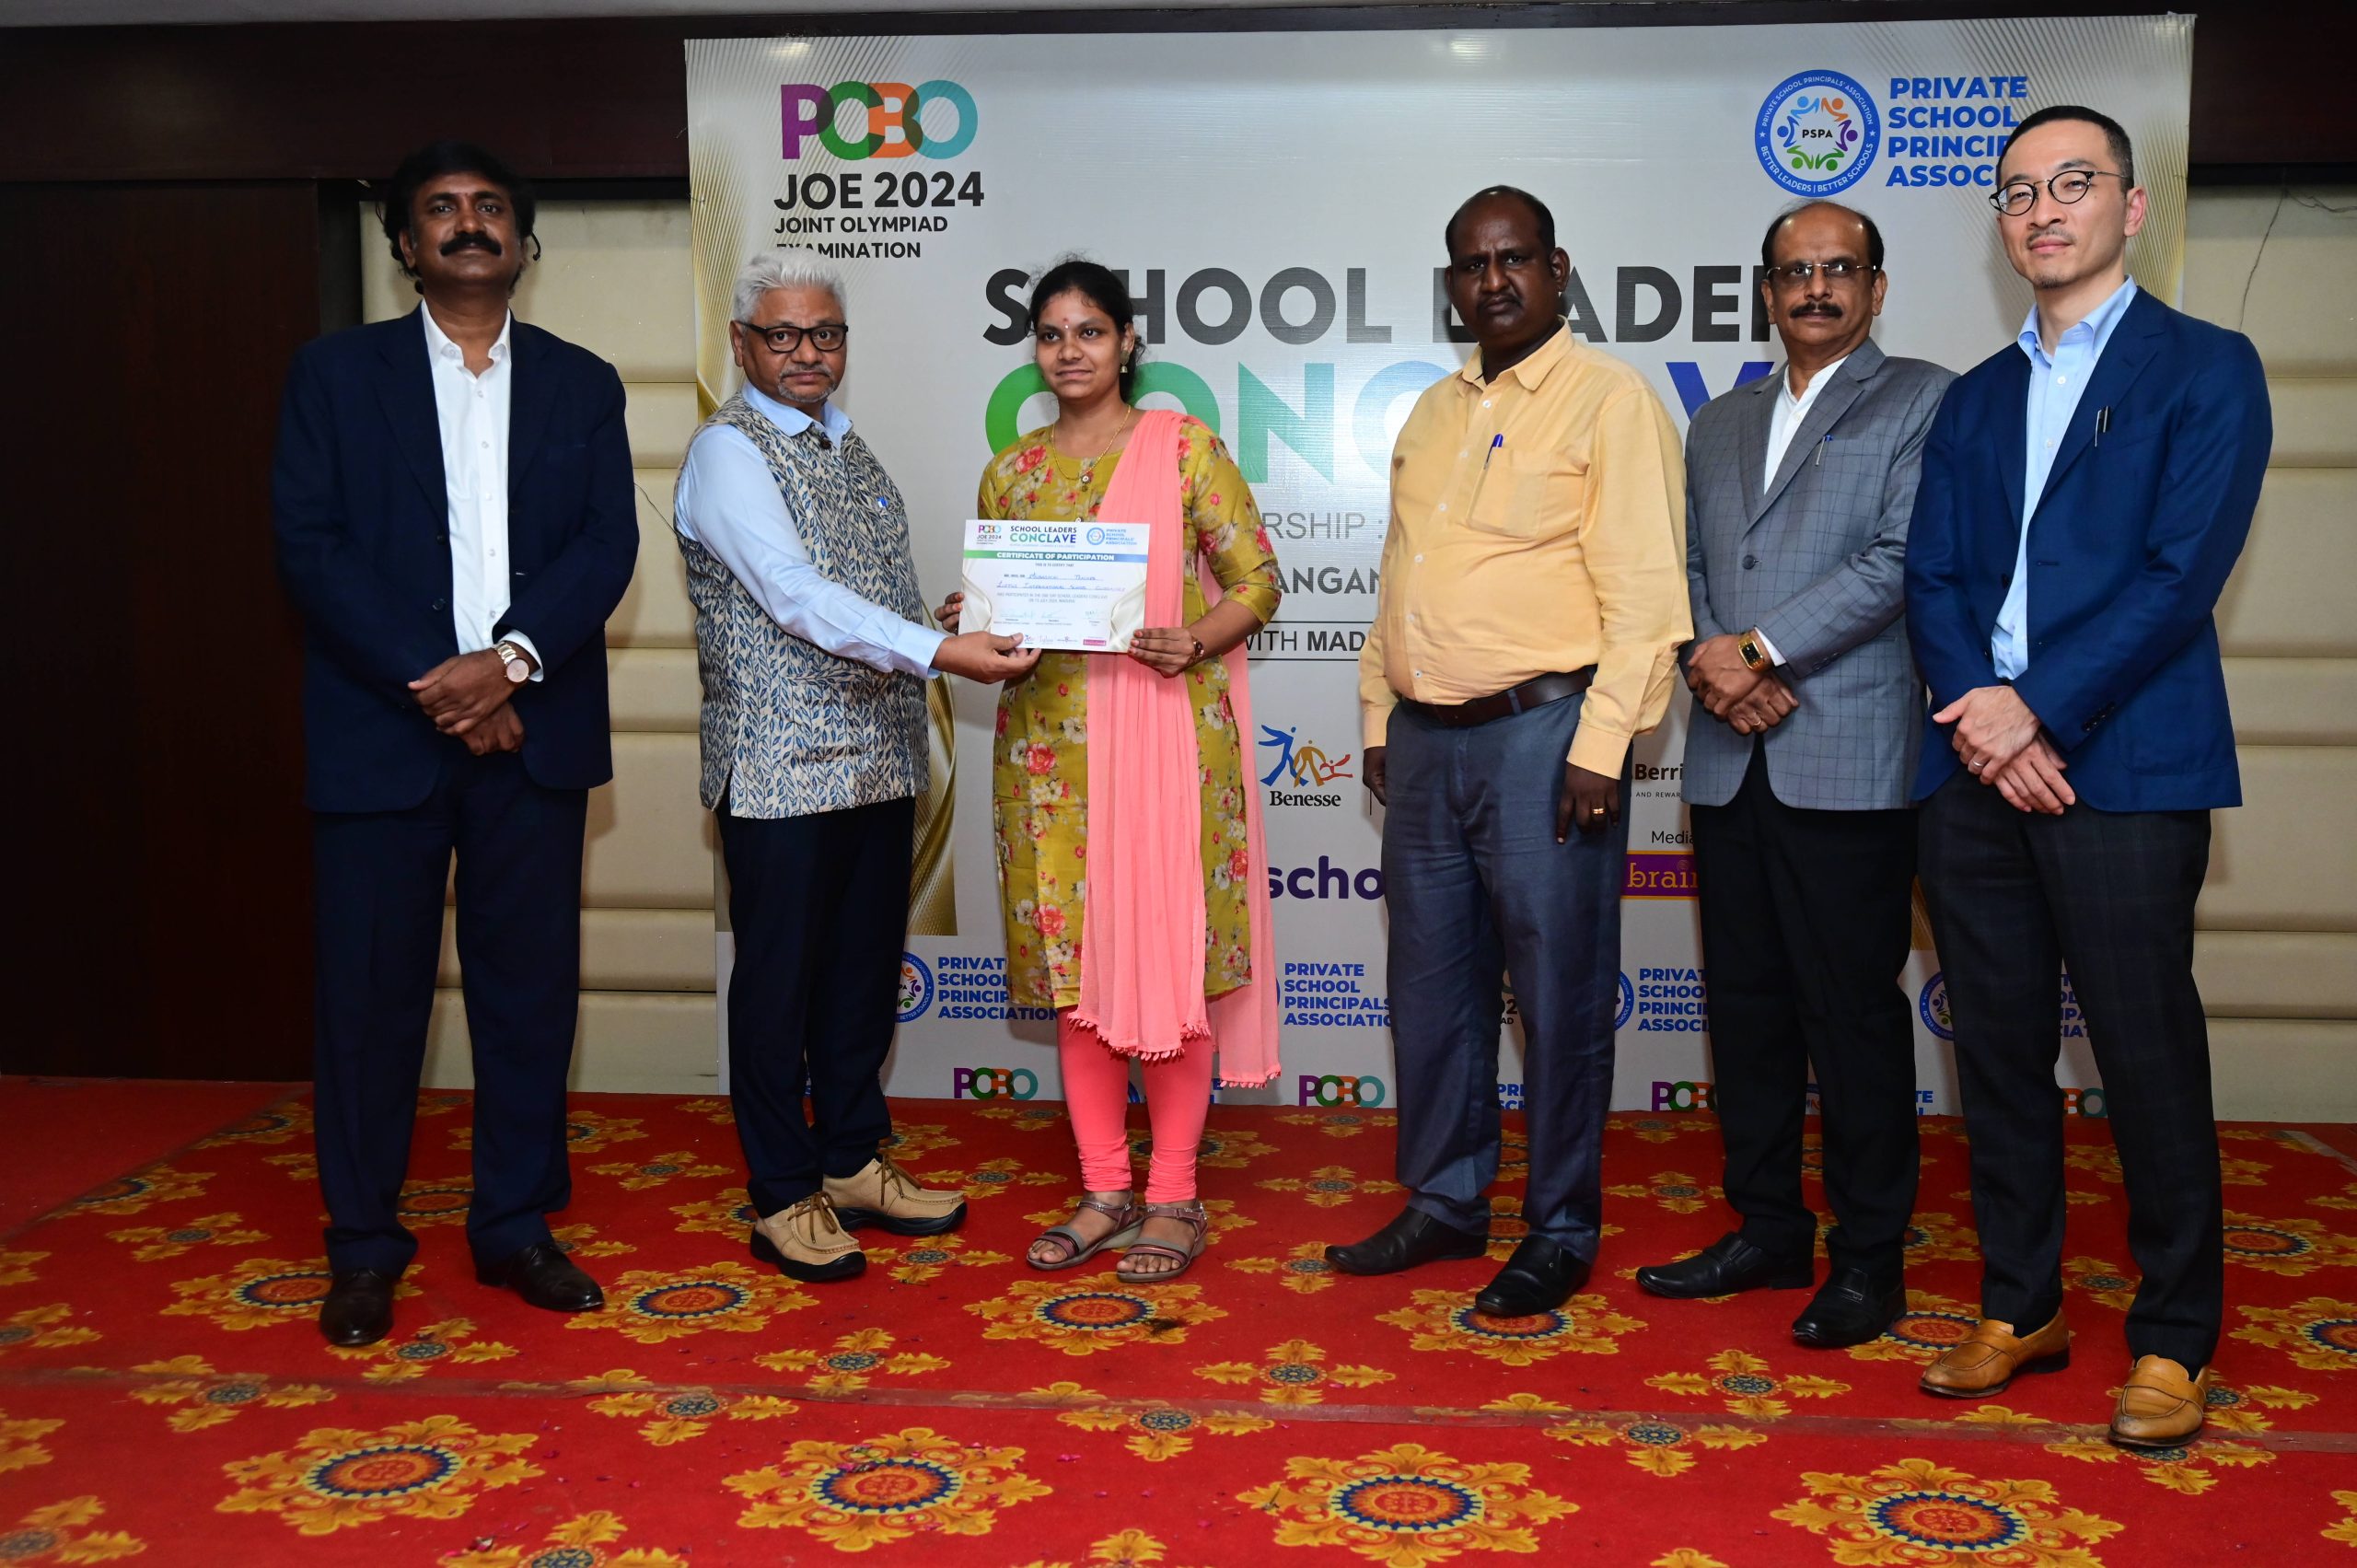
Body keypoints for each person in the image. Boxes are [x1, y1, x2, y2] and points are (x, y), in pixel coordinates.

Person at [1904, 105, 2271, 1447]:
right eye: (2017, 191)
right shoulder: (1974, 396)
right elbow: (1931, 575)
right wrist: (1984, 720)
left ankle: (2174, 1338)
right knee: (1997, 1051)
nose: (2043, 209)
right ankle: (2022, 1304)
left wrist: (2038, 711)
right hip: (1973, 770)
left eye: (2072, 182)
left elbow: (2182, 575)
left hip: (2122, 764)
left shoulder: (2206, 365)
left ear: (2131, 204)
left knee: (2145, 1053)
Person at [273, 139, 639, 1346]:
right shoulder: (334, 374)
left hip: (532, 731)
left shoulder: (583, 382)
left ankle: (515, 1225)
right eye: (441, 208)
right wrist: (446, 680)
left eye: (489, 207)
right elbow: (311, 544)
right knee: (369, 1002)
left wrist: (511, 661)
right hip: (382, 733)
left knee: (527, 997)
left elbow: (606, 544)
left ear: (523, 241)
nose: (469, 222)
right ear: (404, 244)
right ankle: (363, 1244)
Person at [1328, 187, 1689, 1316]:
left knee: (1558, 994)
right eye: (1472, 264)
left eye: (1514, 258)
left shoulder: (1609, 400)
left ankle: (1561, 1225)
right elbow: (1400, 579)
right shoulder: (1431, 412)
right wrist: (1380, 717)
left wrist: (1602, 745)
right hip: (1425, 741)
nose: (1493, 280)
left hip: (1547, 737)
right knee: (1431, 989)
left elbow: (1646, 599)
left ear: (1556, 268)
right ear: (1452, 283)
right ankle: (1445, 1200)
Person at [672, 252, 1038, 1283]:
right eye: (783, 335)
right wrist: (940, 650)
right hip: (780, 765)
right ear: (742, 343)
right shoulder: (728, 452)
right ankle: (781, 1192)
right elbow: (792, 595)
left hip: (878, 757)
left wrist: (945, 619)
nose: (806, 353)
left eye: (824, 334)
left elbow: (863, 598)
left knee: (861, 978)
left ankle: (849, 1158)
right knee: (779, 987)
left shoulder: (848, 445)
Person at [1633, 201, 1952, 1348]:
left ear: (1875, 287)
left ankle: (1870, 1258)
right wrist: (1713, 663)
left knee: (1851, 1014)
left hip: (1846, 755)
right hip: (1729, 757)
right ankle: (1767, 1226)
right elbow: (1680, 564)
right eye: (1793, 272)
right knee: (1748, 1010)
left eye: (1838, 269)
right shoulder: (1719, 420)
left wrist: (1759, 652)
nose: (1815, 288)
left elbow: (1901, 557)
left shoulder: (1923, 398)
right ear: (1766, 292)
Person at [944, 258, 1283, 1283]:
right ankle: (1103, 1189)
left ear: (1128, 342)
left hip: (1168, 739)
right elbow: (1006, 611)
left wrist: (1195, 636)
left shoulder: (1183, 449)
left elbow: (1258, 579)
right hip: (1049, 753)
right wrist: (978, 617)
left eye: (1090, 331)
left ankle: (1173, 1194)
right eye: (1051, 334)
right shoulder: (1011, 473)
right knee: (1077, 972)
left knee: (1170, 965)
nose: (1069, 352)